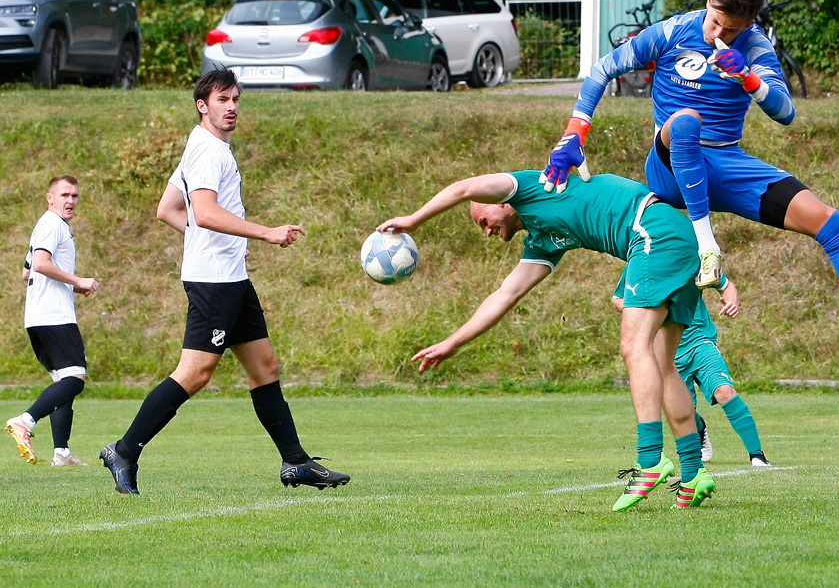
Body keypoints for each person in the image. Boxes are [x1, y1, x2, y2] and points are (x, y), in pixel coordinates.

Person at [541, 0, 839, 365]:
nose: (719, 34)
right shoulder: (672, 31)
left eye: (732, 29)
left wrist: (750, 80)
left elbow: (786, 112)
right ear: (709, 2)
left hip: (724, 162)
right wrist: (574, 133)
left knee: (828, 221)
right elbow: (602, 69)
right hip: (669, 165)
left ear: (750, 23)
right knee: (686, 121)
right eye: (716, 22)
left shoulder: (755, 47)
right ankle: (709, 248)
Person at [378, 170, 716, 511]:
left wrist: (414, 220)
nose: (486, 230)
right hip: (678, 237)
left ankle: (650, 461)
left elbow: (464, 187)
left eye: (484, 219)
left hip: (652, 232)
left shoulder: (532, 186)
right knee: (662, 363)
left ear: (501, 202)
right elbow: (505, 295)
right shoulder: (543, 237)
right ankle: (693, 473)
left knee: (633, 346)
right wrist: (453, 343)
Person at [99, 68, 350, 495]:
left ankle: (295, 461)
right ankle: (124, 450)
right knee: (195, 373)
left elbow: (167, 209)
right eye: (222, 100)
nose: (231, 107)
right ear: (203, 106)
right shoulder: (208, 151)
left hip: (231, 276)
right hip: (214, 281)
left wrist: (225, 245)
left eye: (235, 99)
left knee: (264, 367)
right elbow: (205, 213)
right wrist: (264, 232)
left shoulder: (203, 145)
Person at [613, 271, 771, 467]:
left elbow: (726, 285)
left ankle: (757, 455)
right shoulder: (640, 261)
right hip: (668, 352)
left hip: (700, 341)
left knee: (724, 391)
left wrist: (731, 300)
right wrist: (649, 310)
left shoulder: (690, 255)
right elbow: (618, 299)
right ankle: (700, 429)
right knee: (682, 411)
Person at [6, 175, 99, 467]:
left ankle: (62, 453)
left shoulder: (47, 226)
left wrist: (73, 285)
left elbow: (27, 271)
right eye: (64, 195)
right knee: (75, 379)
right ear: (50, 198)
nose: (70, 201)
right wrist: (78, 279)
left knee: (64, 380)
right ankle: (25, 421)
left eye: (74, 196)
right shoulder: (52, 223)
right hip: (53, 315)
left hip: (39, 316)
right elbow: (41, 263)